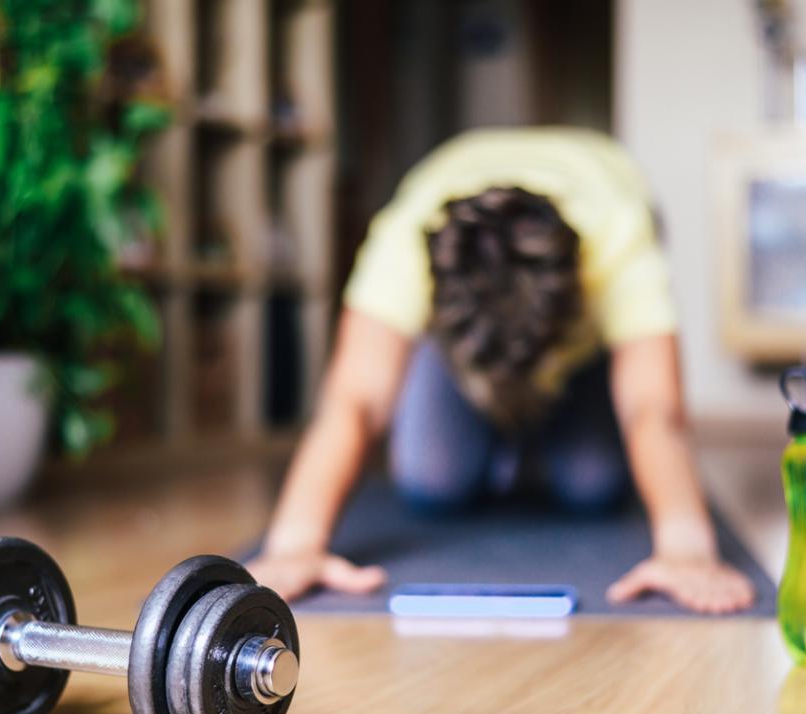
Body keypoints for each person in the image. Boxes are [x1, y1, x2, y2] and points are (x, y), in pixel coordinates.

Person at [247, 127, 756, 614]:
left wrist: (687, 550)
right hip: (462, 359)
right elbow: (354, 400)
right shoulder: (405, 240)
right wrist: (296, 544)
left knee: (591, 488)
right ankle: (505, 439)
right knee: (434, 485)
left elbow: (653, 408)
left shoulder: (618, 235)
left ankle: (538, 433)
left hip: (578, 363)